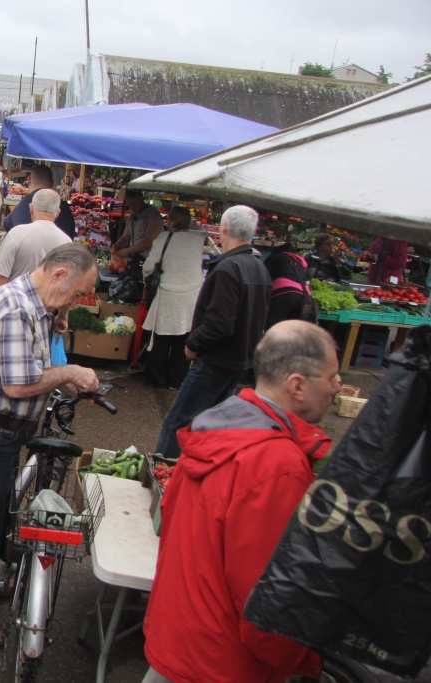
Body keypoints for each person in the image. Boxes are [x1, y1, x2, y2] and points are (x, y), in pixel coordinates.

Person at [142, 321, 340, 683]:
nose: (337, 387)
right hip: (223, 662)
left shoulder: (215, 428)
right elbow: (266, 597)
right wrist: (296, 659)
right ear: (297, 385)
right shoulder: (278, 464)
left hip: (177, 638)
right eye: (332, 377)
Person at [0, 243, 100, 647]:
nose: (77, 302)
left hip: (2, 431)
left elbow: (32, 350)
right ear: (59, 274)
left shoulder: (37, 299)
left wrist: (60, 312)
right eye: (77, 293)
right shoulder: (16, 308)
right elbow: (18, 384)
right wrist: (70, 372)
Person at [153, 205, 271, 460]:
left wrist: (193, 344)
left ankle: (161, 477)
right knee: (212, 425)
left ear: (223, 228)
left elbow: (219, 323)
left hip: (215, 361)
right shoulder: (258, 267)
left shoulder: (229, 269)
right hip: (239, 361)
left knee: (178, 423)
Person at [142, 206, 206, 389]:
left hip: (168, 292)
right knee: (183, 337)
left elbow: (149, 266)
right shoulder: (198, 239)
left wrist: (145, 276)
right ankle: (177, 380)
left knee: (161, 338)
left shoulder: (164, 238)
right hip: (193, 295)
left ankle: (157, 379)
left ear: (170, 221)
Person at [0, 189, 71, 293]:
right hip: (46, 308)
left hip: (14, 305)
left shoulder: (17, 234)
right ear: (58, 213)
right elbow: (67, 288)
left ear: (31, 208)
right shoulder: (67, 243)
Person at [2, 165, 76, 237]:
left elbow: (8, 225)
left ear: (29, 179)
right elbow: (71, 233)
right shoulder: (64, 207)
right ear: (52, 182)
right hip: (58, 248)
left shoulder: (24, 204)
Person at [264, 242, 311, 329]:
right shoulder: (300, 262)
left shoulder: (275, 257)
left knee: (274, 328)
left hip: (284, 293)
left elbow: (264, 278)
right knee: (292, 330)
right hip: (303, 296)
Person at [112, 189, 165, 260]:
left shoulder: (153, 216)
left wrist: (127, 251)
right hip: (135, 258)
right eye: (129, 204)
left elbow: (150, 242)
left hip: (149, 259)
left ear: (142, 199)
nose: (132, 207)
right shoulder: (131, 217)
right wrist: (117, 245)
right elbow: (125, 238)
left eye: (135, 204)